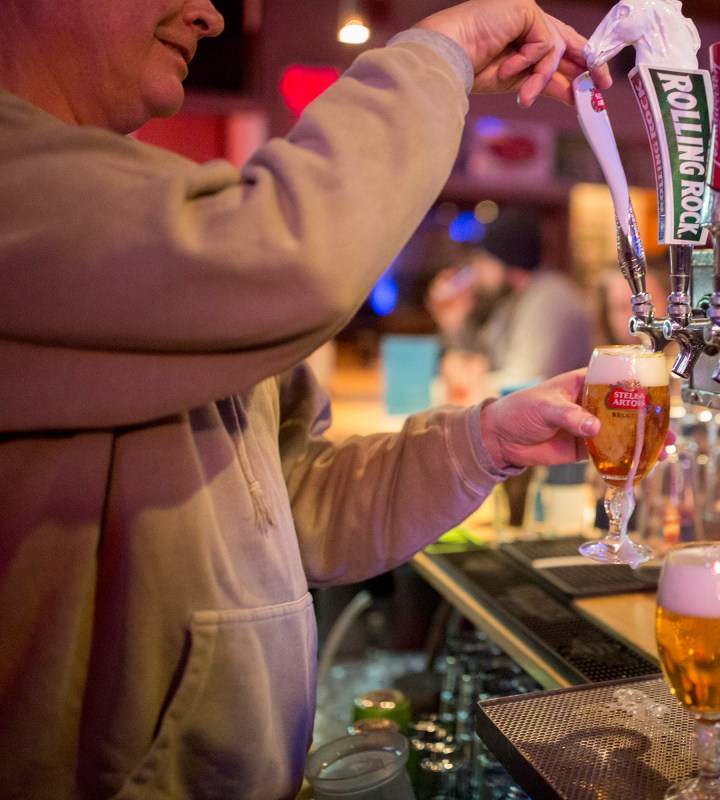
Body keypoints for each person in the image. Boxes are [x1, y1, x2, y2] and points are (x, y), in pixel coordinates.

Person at [0, 1, 614, 797]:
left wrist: (486, 441)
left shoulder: (111, 201)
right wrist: (441, 49)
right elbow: (296, 258)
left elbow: (296, 505)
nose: (209, 15)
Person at [429, 205, 595, 400]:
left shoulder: (550, 300)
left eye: (483, 259)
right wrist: (455, 325)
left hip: (552, 416)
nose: (477, 270)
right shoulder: (514, 299)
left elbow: (523, 384)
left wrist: (461, 385)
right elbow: (485, 361)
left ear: (504, 259)